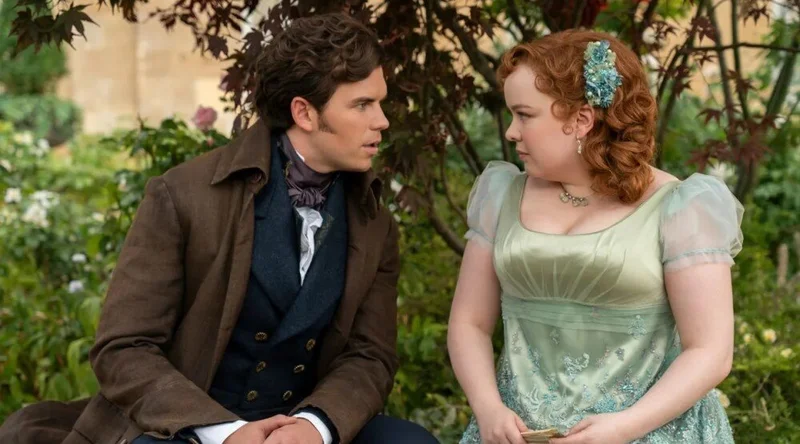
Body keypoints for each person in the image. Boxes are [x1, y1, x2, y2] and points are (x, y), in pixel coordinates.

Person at [0, 12, 439, 444]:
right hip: (186, 427)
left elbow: (370, 355)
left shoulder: (373, 220)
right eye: (362, 104)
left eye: (379, 102)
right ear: (304, 113)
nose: (382, 121)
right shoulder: (182, 195)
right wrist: (225, 433)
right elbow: (124, 348)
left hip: (299, 425)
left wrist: (315, 426)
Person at [447, 29, 742, 444]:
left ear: (581, 120)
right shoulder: (500, 195)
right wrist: (488, 408)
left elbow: (711, 352)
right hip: (515, 436)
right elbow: (469, 323)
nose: (512, 132)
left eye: (524, 115)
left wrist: (624, 427)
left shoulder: (681, 208)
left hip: (649, 431)